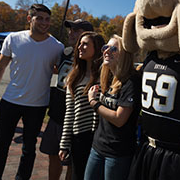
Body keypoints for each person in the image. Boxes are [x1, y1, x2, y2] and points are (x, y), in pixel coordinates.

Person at [0, 4, 64, 180]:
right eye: (39, 18)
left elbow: (59, 70)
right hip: (9, 102)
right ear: (29, 19)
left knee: (28, 149)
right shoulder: (14, 39)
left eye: (47, 19)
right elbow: (0, 67)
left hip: (37, 105)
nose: (44, 22)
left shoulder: (57, 47)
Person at [39, 19, 94, 180]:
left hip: (76, 118)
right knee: (53, 154)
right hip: (56, 113)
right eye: (71, 30)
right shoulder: (65, 52)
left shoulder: (92, 58)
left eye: (76, 30)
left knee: (72, 161)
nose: (71, 33)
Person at [84, 34, 141, 180]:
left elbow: (119, 119)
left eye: (114, 48)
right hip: (97, 147)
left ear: (125, 56)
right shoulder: (108, 76)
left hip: (117, 153)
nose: (107, 51)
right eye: (105, 47)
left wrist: (94, 103)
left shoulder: (131, 82)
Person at [58, 31, 105, 180]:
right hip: (79, 136)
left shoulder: (106, 74)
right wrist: (64, 143)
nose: (79, 47)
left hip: (101, 137)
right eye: (80, 43)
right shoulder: (74, 77)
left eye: (85, 44)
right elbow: (69, 112)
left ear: (96, 48)